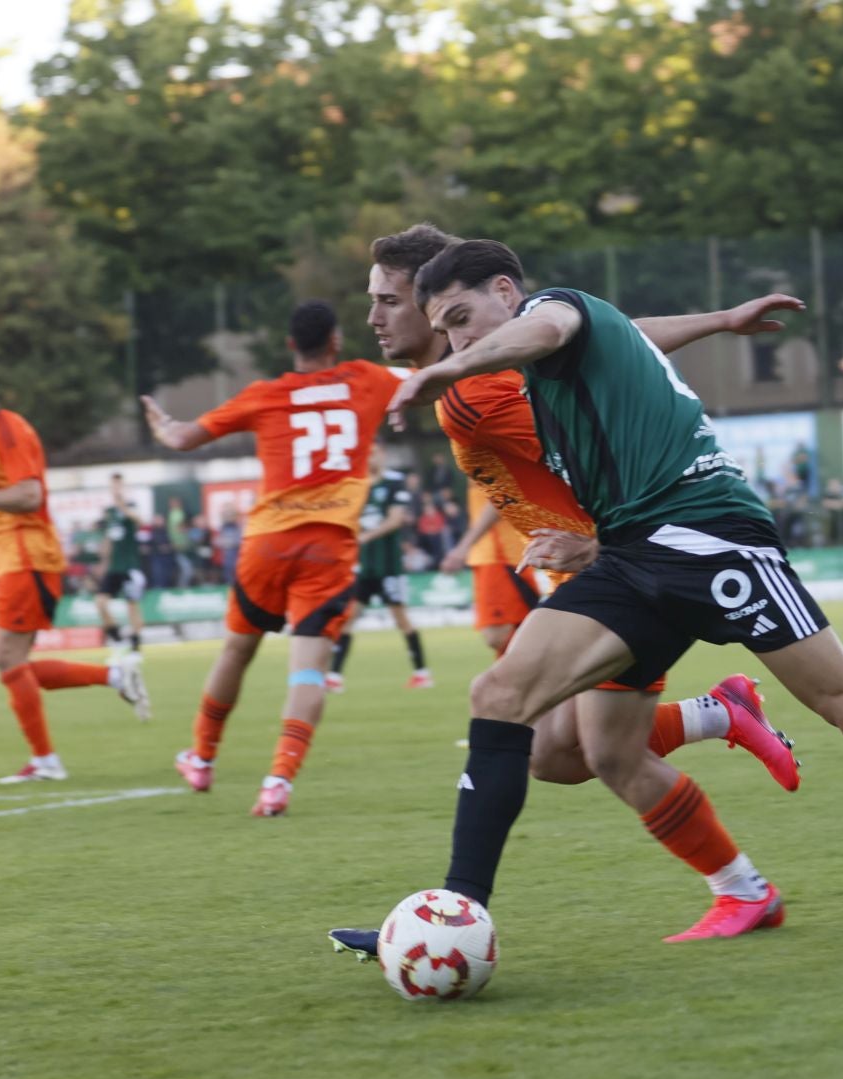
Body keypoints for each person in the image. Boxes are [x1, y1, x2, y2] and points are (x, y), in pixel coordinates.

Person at [336, 236, 843, 956]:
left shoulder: (549, 314)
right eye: (446, 331)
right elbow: (623, 335)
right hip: (628, 555)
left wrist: (444, 368)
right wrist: (721, 321)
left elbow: (546, 329)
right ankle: (457, 914)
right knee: (506, 701)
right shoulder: (544, 355)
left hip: (712, 537)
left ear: (508, 291)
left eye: (463, 320)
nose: (460, 341)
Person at [336, 224, 804, 944]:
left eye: (388, 300)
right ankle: (720, 723)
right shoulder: (475, 384)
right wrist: (719, 319)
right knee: (557, 754)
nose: (373, 317)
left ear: (436, 307)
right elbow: (618, 339)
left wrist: (605, 545)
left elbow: (604, 424)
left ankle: (457, 915)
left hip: (624, 574)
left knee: (587, 747)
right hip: (601, 573)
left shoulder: (478, 396)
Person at [145, 302, 395, 817]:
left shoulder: (266, 395)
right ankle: (278, 780)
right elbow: (431, 379)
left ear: (290, 345)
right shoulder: (367, 380)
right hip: (328, 546)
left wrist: (163, 423)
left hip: (268, 545)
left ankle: (201, 758)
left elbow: (182, 438)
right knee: (308, 672)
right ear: (335, 341)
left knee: (237, 651)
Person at [0, 355, 148, 781]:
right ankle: (114, 675)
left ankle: (48, 759)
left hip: (28, 560)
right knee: (15, 664)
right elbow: (11, 498)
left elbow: (31, 496)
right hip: (13, 558)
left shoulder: (8, 429)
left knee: (7, 659)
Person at [328, 440, 432, 691]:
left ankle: (421, 673)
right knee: (347, 620)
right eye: (366, 454)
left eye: (373, 453)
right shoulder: (357, 485)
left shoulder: (394, 482)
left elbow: (395, 520)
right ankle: (334, 677)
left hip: (389, 566)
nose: (370, 458)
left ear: (383, 454)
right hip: (363, 567)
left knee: (401, 620)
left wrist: (366, 537)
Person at [92, 473, 146, 655]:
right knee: (100, 602)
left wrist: (121, 505)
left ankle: (136, 643)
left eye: (119, 485)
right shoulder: (109, 513)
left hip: (130, 566)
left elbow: (140, 521)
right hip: (114, 567)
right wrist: (103, 560)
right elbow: (108, 538)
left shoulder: (131, 507)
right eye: (113, 485)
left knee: (132, 605)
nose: (116, 489)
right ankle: (116, 635)